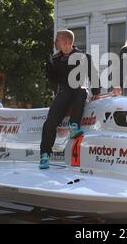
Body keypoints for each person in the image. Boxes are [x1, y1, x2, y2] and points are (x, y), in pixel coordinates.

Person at [40, 30, 101, 169]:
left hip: (79, 91)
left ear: (66, 42)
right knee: (49, 123)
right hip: (63, 93)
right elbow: (52, 80)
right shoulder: (55, 59)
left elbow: (93, 74)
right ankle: (44, 155)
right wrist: (49, 68)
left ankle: (74, 126)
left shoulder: (83, 56)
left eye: (58, 40)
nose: (55, 42)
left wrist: (96, 92)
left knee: (80, 91)